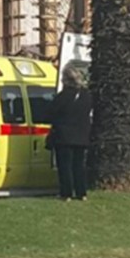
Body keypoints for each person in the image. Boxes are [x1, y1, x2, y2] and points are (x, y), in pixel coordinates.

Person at [49, 66, 93, 201]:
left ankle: (66, 193)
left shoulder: (62, 97)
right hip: (82, 136)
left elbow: (52, 114)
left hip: (64, 136)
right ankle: (81, 193)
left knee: (65, 166)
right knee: (79, 166)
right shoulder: (87, 96)